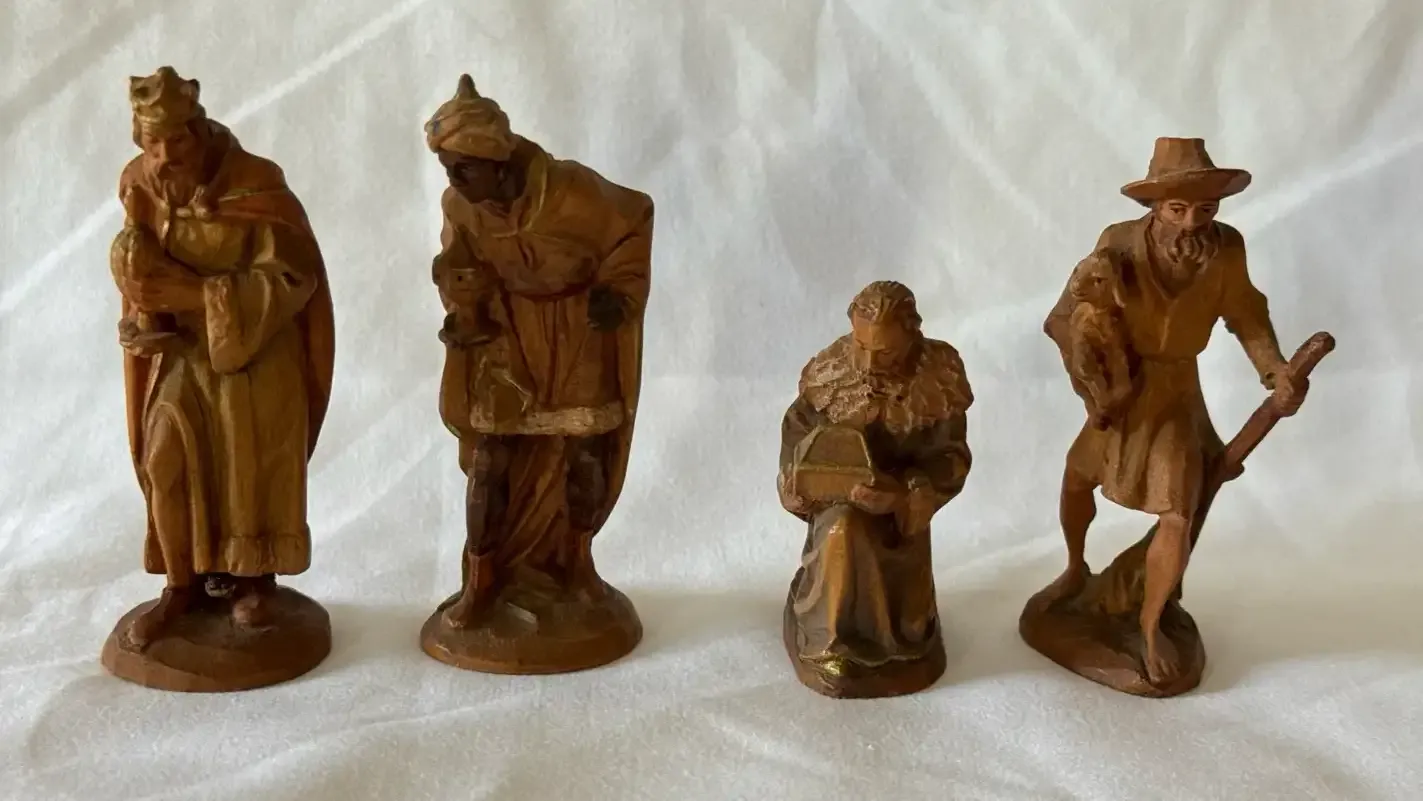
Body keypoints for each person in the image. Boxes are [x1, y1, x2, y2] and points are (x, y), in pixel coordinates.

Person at [1043, 137, 1305, 686]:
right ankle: (1073, 569)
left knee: (1178, 510)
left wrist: (1275, 370)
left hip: (1178, 390)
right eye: (1177, 209)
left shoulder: (1226, 249)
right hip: (1125, 386)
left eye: (1205, 210)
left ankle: (1151, 622)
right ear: (1154, 206)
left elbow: (1247, 313)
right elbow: (1071, 310)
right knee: (1076, 476)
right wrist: (1092, 379)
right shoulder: (1118, 242)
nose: (1191, 223)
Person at [111, 67, 334, 646]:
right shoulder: (139, 184)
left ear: (200, 131)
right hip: (181, 354)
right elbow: (138, 269)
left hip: (255, 356)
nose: (165, 157)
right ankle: (179, 586)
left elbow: (295, 277)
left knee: (245, 471)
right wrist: (140, 319)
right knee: (164, 459)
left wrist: (197, 295)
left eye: (176, 140)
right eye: (152, 142)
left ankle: (252, 581)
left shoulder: (255, 186)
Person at [426, 75, 653, 628]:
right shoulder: (461, 205)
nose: (453, 181)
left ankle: (577, 567)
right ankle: (482, 579)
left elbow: (635, 219)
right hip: (508, 339)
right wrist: (459, 289)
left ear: (498, 161)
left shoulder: (573, 192)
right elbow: (454, 262)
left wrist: (618, 292)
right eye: (448, 169)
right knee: (490, 461)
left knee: (585, 454)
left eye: (464, 169)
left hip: (574, 337)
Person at [778, 281, 973, 682]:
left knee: (884, 543)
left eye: (884, 352)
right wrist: (800, 480)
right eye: (861, 346)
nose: (867, 364)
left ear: (912, 335)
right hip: (839, 504)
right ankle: (832, 640)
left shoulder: (939, 377)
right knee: (842, 528)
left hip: (903, 510)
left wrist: (904, 493)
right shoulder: (831, 373)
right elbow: (798, 433)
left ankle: (898, 638)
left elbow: (952, 457)